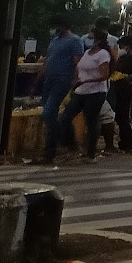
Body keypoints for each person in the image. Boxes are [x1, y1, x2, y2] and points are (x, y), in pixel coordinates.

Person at [54, 30, 113, 161]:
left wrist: (86, 81)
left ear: (97, 41)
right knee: (64, 118)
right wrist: (75, 83)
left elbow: (104, 75)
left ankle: (90, 154)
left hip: (95, 93)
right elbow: (78, 68)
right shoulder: (87, 53)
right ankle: (72, 145)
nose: (88, 40)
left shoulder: (103, 54)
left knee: (91, 122)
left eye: (91, 38)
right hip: (80, 91)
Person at [39, 19, 85, 163]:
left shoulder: (75, 41)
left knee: (48, 114)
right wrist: (38, 80)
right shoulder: (54, 41)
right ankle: (55, 148)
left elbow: (78, 62)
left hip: (62, 80)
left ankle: (62, 143)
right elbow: (48, 60)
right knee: (49, 115)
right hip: (49, 80)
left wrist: (75, 81)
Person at [108, 34, 132, 153]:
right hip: (118, 89)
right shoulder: (122, 59)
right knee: (120, 116)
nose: (120, 48)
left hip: (126, 91)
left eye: (122, 46)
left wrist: (128, 78)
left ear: (128, 47)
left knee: (122, 116)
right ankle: (127, 140)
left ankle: (129, 141)